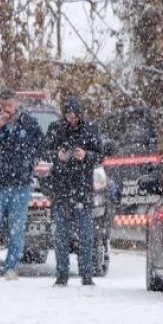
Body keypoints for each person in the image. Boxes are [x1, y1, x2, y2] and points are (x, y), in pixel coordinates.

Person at [0, 88, 45, 281]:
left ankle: (11, 267)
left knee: (17, 228)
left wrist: (30, 161)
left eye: (9, 106)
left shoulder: (28, 123)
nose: (6, 110)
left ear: (17, 104)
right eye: (3, 106)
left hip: (21, 184)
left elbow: (42, 146)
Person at [44, 96, 104, 286]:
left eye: (74, 115)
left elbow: (100, 155)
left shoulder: (90, 130)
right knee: (61, 235)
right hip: (61, 188)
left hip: (82, 189)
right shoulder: (56, 129)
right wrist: (57, 155)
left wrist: (85, 155)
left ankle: (86, 275)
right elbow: (44, 151)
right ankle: (62, 275)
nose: (71, 118)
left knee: (86, 236)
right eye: (68, 114)